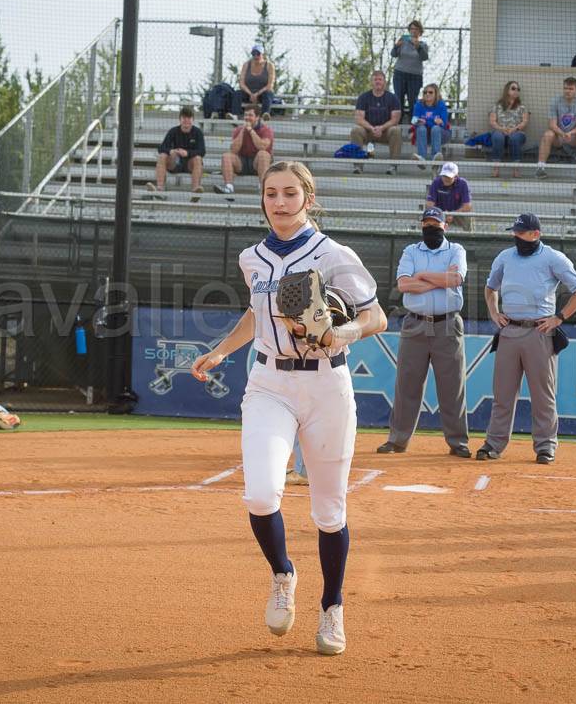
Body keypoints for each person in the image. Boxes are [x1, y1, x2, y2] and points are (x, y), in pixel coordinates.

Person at [190, 160, 387, 656]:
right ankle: (283, 573)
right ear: (262, 199)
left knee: (329, 511)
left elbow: (376, 316)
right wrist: (220, 349)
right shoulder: (251, 257)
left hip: (327, 387)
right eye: (271, 193)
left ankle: (332, 607)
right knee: (260, 495)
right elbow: (255, 316)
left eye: (290, 193)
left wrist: (344, 331)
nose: (280, 201)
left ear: (308, 199)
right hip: (269, 382)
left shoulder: (333, 253)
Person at [480, 213, 576, 464]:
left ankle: (545, 446)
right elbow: (490, 288)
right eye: (515, 232)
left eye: (521, 233)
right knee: (503, 393)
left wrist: (559, 317)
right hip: (510, 330)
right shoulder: (505, 257)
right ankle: (494, 444)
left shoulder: (553, 257)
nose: (516, 237)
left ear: (535, 234)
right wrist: (494, 312)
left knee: (543, 395)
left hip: (539, 332)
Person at [377, 208, 470, 457]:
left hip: (447, 323)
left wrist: (423, 276)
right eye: (426, 223)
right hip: (414, 323)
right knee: (407, 383)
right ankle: (397, 440)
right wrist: (439, 280)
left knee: (452, 385)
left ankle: (458, 442)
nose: (431, 227)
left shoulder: (456, 250)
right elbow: (404, 284)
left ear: (445, 226)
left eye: (435, 223)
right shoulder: (411, 251)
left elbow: (455, 279)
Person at [536, 77, 576, 181]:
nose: (567, 91)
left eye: (570, 89)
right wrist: (562, 133)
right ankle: (540, 168)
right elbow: (552, 124)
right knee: (548, 134)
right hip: (559, 136)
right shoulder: (555, 101)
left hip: (573, 137)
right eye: (565, 88)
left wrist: (571, 133)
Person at [146, 106, 206, 200]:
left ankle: (195, 192)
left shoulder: (197, 132)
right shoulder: (173, 131)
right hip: (175, 164)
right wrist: (171, 151)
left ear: (193, 119)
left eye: (189, 118)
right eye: (184, 118)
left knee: (198, 158)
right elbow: (161, 148)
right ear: (180, 119)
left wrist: (187, 153)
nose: (186, 120)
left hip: (190, 164)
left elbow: (202, 151)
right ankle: (159, 189)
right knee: (162, 156)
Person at [214, 104, 273, 198]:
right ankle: (228, 187)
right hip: (242, 162)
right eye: (245, 115)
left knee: (263, 154)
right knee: (226, 156)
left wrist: (250, 131)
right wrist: (242, 131)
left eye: (250, 115)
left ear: (257, 117)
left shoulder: (266, 130)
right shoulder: (238, 130)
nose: (247, 118)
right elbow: (233, 150)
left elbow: (262, 146)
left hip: (258, 163)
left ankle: (263, 188)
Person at [350, 70, 402, 163]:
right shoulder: (363, 97)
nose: (378, 81)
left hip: (385, 132)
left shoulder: (393, 98)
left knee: (396, 130)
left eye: (380, 79)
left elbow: (395, 120)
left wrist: (381, 128)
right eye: (375, 79)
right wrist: (371, 128)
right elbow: (359, 118)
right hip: (368, 131)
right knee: (356, 130)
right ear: (371, 82)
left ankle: (393, 165)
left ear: (384, 82)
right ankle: (357, 165)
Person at [488, 81, 529, 177]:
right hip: (500, 131)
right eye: (513, 88)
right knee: (497, 137)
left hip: (517, 133)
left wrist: (514, 129)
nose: (516, 91)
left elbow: (525, 122)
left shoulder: (522, 107)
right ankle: (496, 168)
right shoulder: (497, 106)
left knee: (515, 138)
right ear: (507, 90)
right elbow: (492, 121)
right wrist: (501, 129)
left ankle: (516, 169)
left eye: (518, 89)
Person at [391, 20, 428, 117]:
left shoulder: (423, 45)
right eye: (411, 29)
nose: (413, 31)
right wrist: (396, 46)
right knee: (398, 99)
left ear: (420, 32)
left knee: (413, 100)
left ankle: (414, 124)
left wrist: (417, 47)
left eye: (416, 29)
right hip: (400, 75)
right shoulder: (403, 41)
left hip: (415, 77)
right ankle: (398, 122)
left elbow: (424, 57)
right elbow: (393, 54)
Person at [233, 45, 276, 120]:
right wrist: (251, 94)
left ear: (262, 55)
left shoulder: (269, 66)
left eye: (258, 54)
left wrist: (256, 94)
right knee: (237, 94)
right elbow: (242, 83)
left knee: (268, 94)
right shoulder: (246, 65)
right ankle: (235, 115)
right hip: (249, 92)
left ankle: (265, 114)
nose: (256, 56)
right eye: (253, 54)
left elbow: (270, 85)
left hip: (262, 93)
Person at [425, 162, 472, 229]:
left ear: (456, 176)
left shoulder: (463, 184)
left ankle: (469, 236)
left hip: (458, 214)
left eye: (449, 176)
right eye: (444, 175)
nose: (446, 178)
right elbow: (429, 204)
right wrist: (441, 214)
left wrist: (453, 214)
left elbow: (467, 207)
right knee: (429, 215)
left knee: (467, 216)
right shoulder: (436, 182)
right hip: (438, 214)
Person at [411, 84, 449, 162]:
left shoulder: (441, 104)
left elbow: (444, 123)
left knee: (435, 128)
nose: (427, 94)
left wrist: (428, 121)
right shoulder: (418, 104)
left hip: (441, 134)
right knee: (421, 128)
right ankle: (422, 158)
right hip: (425, 135)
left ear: (436, 94)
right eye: (425, 92)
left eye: (430, 92)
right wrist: (419, 121)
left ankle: (435, 158)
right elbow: (413, 121)